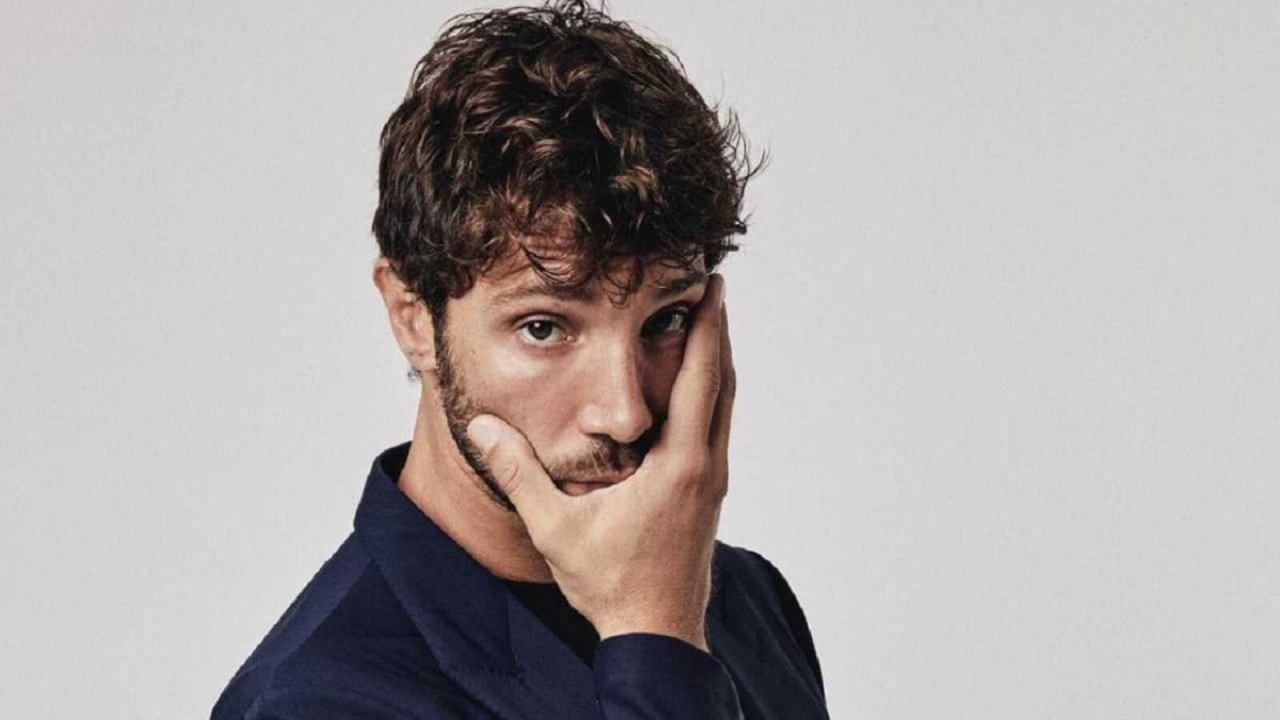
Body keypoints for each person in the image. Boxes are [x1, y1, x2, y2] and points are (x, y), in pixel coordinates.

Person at [212, 1, 829, 717]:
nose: (625, 414)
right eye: (543, 328)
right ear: (413, 317)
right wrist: (652, 635)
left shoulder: (747, 603)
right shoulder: (317, 700)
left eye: (664, 322)